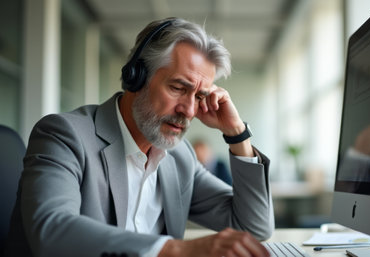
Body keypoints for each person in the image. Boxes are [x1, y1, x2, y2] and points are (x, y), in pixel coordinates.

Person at [5, 17, 274, 257]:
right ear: (136, 77)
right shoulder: (64, 135)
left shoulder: (180, 157)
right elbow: (51, 231)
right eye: (178, 88)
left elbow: (255, 226)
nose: (189, 110)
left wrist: (237, 134)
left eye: (200, 96)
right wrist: (175, 250)